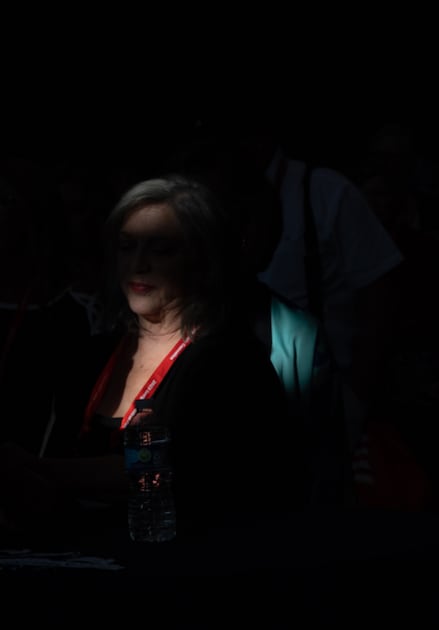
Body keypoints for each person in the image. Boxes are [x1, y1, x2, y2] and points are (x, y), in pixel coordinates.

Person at [0, 173, 296, 543]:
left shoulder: (230, 363)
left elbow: (183, 470)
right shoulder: (97, 354)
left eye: (162, 249)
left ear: (204, 259)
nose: (139, 264)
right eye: (127, 247)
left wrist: (39, 470)